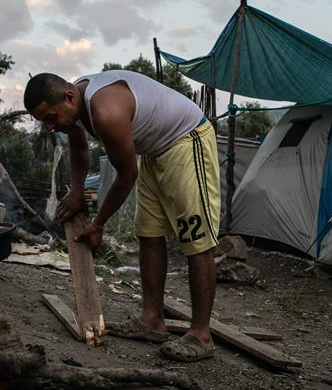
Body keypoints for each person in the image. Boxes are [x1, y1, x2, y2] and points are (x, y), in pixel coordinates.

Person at [24, 71, 220, 362]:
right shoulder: (76, 106)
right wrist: (77, 190)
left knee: (196, 239)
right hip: (154, 151)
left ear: (68, 97)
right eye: (44, 121)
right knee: (149, 234)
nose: (50, 127)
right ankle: (152, 320)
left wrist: (98, 223)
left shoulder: (105, 111)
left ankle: (201, 335)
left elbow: (127, 175)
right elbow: (78, 147)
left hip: (186, 141)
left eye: (50, 117)